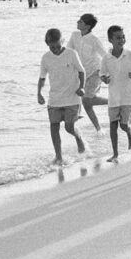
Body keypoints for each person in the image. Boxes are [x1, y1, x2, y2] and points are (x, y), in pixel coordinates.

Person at [37, 28, 86, 165]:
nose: (56, 49)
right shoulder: (45, 58)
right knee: (54, 127)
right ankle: (58, 156)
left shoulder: (71, 54)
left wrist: (81, 87)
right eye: (52, 47)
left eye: (58, 46)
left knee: (69, 127)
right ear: (47, 44)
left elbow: (82, 72)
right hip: (54, 99)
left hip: (72, 98)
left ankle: (78, 138)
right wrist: (39, 93)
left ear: (62, 41)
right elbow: (42, 78)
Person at [99, 25, 131, 162]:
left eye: (123, 36)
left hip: (128, 97)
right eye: (117, 37)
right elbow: (102, 73)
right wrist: (104, 78)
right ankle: (115, 153)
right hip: (113, 97)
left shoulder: (129, 54)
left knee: (123, 125)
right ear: (110, 39)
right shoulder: (106, 58)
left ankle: (129, 133)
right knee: (112, 125)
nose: (121, 39)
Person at [66, 13, 109, 131]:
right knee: (86, 103)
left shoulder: (94, 40)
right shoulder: (74, 35)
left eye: (80, 21)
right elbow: (68, 52)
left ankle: (114, 101)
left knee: (87, 100)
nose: (77, 22)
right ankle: (99, 130)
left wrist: (109, 73)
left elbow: (105, 56)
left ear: (88, 26)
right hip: (81, 72)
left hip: (96, 71)